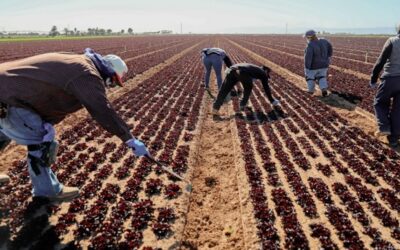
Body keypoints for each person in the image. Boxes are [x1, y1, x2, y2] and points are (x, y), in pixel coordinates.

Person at [0, 48, 150, 200]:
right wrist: (128, 138)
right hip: (9, 98)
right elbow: (100, 108)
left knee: (2, 134)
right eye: (113, 81)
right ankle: (48, 192)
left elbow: (47, 93)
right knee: (40, 142)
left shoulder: (77, 61)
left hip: (5, 89)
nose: (110, 86)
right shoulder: (86, 74)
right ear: (108, 73)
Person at [370, 24, 400, 148]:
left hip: (390, 78)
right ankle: (393, 138)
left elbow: (381, 61)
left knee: (380, 102)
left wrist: (373, 78)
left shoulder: (392, 41)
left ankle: (384, 127)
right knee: (398, 110)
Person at [212, 63, 280, 115]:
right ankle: (243, 105)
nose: (267, 76)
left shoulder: (254, 68)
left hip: (232, 69)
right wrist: (272, 100)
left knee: (224, 89)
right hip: (242, 71)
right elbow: (266, 88)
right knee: (248, 87)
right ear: (266, 71)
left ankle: (215, 108)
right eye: (268, 74)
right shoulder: (263, 73)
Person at [304, 30, 333, 97]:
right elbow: (330, 48)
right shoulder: (324, 41)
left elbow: (308, 58)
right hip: (324, 65)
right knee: (322, 77)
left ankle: (311, 91)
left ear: (309, 37)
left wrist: (307, 68)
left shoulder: (310, 45)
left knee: (310, 78)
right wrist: (328, 56)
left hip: (313, 66)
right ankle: (324, 89)